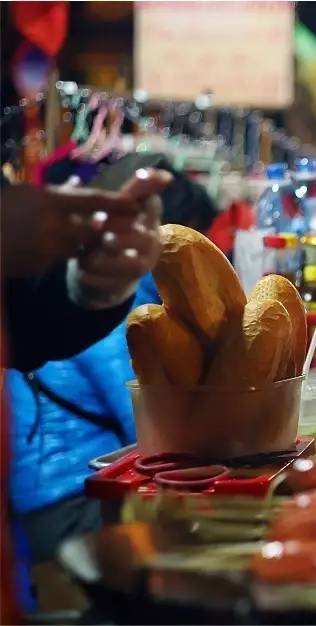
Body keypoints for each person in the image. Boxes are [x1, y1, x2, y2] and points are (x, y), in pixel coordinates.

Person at [1, 169, 171, 619]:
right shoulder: (140, 314)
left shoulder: (116, 291)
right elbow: (150, 425)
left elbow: (33, 319)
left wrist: (92, 287)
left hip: (27, 499)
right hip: (63, 500)